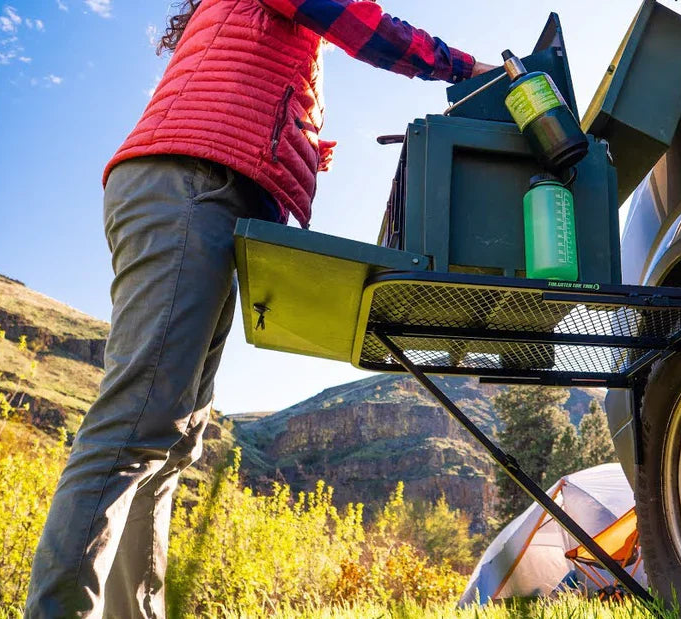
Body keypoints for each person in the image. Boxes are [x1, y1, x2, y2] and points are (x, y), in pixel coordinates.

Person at [25, 1, 495, 616]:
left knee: (173, 436)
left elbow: (248, 82)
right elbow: (361, 24)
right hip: (192, 185)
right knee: (136, 421)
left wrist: (299, 140)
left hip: (206, 189)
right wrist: (467, 67)